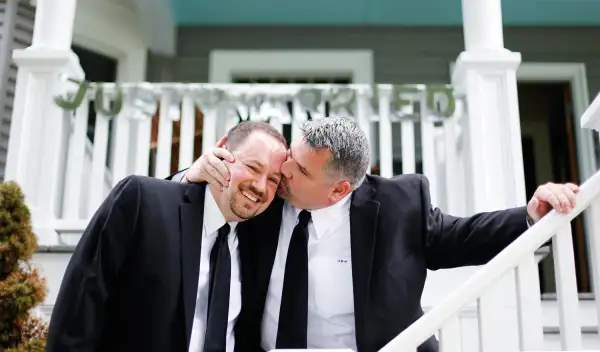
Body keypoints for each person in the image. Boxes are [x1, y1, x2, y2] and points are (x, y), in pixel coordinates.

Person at [177, 116, 579, 352]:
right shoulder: (265, 198)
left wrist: (530, 215)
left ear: (339, 190)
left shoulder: (399, 205)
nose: (282, 172)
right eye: (290, 160)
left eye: (300, 170)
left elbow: (463, 236)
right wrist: (192, 176)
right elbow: (195, 209)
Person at [46, 121, 288, 352]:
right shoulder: (141, 201)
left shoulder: (261, 240)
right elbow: (77, 313)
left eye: (273, 180)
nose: (260, 185)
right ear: (222, 150)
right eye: (253, 167)